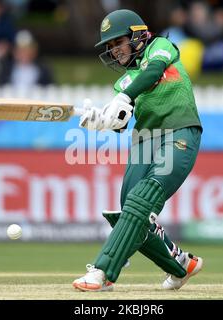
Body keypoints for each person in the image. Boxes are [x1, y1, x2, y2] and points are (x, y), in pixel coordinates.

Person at [72, 9, 204, 292]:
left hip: (180, 130)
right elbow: (121, 122)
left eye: (117, 42)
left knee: (142, 200)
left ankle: (102, 271)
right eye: (110, 47)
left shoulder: (161, 46)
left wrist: (123, 96)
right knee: (129, 211)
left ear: (137, 36)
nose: (114, 51)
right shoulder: (123, 81)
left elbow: (153, 72)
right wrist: (101, 121)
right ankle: (181, 264)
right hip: (144, 140)